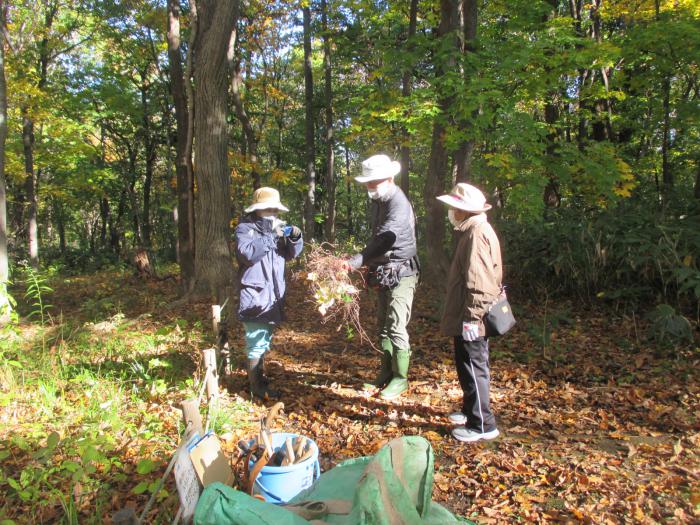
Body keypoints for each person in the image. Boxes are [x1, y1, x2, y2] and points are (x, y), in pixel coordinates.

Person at [344, 154, 420, 400]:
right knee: (382, 326)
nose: (369, 187)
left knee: (396, 326)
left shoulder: (398, 204)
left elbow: (384, 239)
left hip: (403, 272)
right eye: (367, 182)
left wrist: (357, 261)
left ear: (389, 178)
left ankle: (401, 379)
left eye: (373, 182)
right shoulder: (380, 200)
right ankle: (385, 373)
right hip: (385, 272)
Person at [437, 183, 503, 442]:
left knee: (475, 367)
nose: (452, 211)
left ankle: (482, 425)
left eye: (455, 207)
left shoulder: (477, 234)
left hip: (473, 315)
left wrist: (473, 319)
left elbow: (480, 283)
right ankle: (470, 411)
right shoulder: (473, 230)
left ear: (465, 211)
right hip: (467, 313)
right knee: (467, 364)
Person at [235, 187, 303, 399]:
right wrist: (271, 235)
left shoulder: (278, 228)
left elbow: (291, 254)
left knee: (263, 339)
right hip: (255, 293)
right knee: (256, 339)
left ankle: (259, 380)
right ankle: (257, 389)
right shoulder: (245, 228)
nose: (272, 212)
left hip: (273, 294)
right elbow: (246, 254)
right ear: (257, 209)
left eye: (275, 208)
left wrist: (295, 237)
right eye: (268, 208)